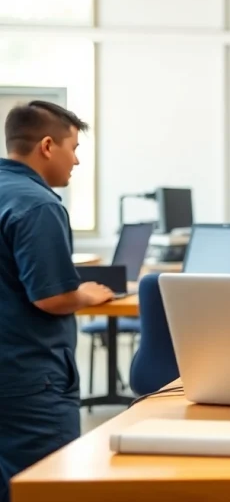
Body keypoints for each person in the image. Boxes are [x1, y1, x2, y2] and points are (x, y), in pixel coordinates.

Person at [0, 101, 114, 502]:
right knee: (46, 486)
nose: (77, 161)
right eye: (74, 148)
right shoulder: (38, 204)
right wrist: (85, 293)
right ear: (47, 146)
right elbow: (51, 297)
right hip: (29, 379)